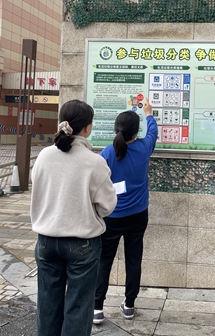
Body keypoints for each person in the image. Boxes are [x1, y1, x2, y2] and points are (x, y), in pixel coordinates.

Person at [30, 99, 117, 336]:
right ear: (87, 127)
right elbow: (108, 205)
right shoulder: (94, 162)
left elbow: (38, 187)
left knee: (47, 303)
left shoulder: (44, 156)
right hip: (82, 243)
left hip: (46, 240)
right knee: (79, 305)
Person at [93, 101, 158, 324]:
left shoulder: (107, 154)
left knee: (104, 261)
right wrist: (149, 114)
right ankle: (129, 305)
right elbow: (153, 132)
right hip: (138, 216)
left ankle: (97, 308)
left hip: (111, 217)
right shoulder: (144, 148)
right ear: (135, 132)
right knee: (133, 260)